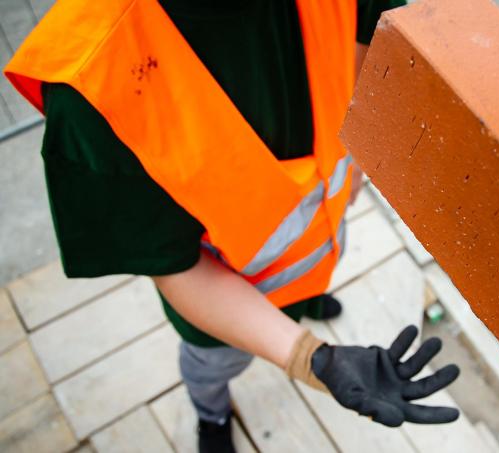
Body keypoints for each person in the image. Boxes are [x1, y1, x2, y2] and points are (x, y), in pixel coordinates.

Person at [4, 1, 461, 451]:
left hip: (320, 237)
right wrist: (310, 357)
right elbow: (176, 265)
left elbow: (369, 39)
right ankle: (212, 411)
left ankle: (306, 298)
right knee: (213, 366)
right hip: (222, 308)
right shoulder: (97, 74)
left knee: (308, 285)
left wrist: (357, 149)